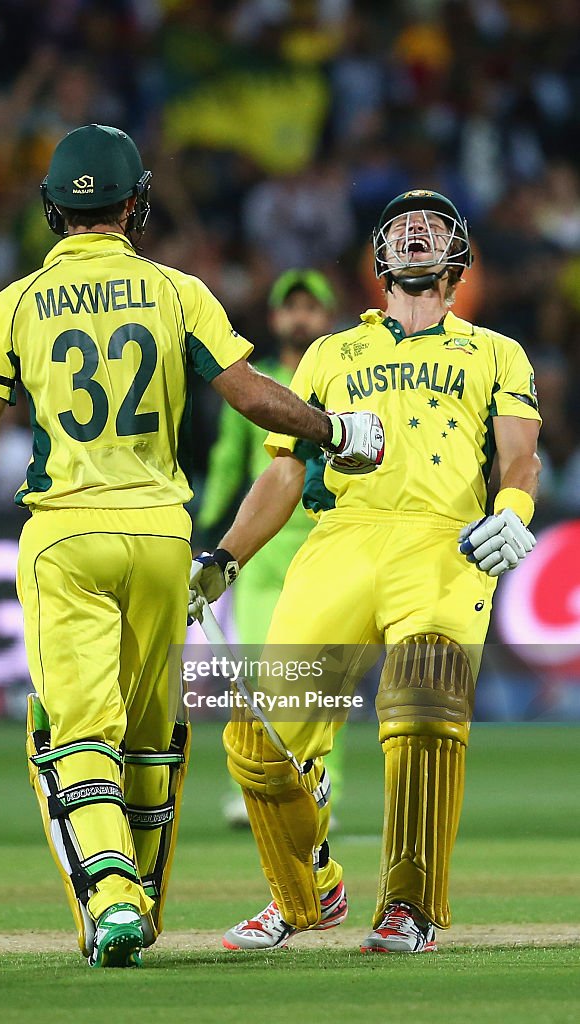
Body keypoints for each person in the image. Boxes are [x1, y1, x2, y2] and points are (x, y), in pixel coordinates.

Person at [0, 124, 385, 970]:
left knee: (73, 733)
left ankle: (112, 896)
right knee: (150, 735)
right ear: (136, 207)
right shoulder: (178, 292)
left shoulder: (16, 303)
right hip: (164, 538)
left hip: (65, 535)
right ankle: (140, 895)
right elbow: (250, 396)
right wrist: (334, 428)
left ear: (52, 210)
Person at [189, 189, 541, 953]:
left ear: (458, 259)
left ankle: (407, 909)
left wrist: (513, 511)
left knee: (424, 725)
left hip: (442, 548)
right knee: (259, 742)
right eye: (403, 225)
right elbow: (283, 473)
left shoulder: (495, 352)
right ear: (379, 257)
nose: (417, 231)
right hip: (340, 542)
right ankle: (305, 889)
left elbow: (520, 454)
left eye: (434, 225)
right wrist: (226, 557)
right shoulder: (329, 351)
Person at [197, 268, 345, 828]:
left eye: (312, 308)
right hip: (260, 554)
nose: (300, 317)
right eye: (292, 308)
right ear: (277, 318)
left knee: (326, 684)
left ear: (327, 318)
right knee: (259, 676)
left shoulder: (341, 378)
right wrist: (208, 530)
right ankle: (257, 788)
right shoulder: (252, 385)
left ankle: (321, 789)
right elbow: (229, 461)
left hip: (327, 548)